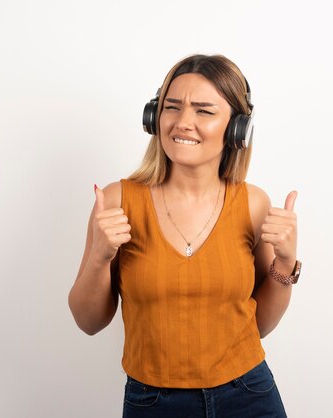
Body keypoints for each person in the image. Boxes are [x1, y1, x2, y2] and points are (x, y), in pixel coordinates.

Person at [68, 54, 302, 418]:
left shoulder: (254, 204)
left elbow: (259, 327)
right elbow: (88, 322)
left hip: (249, 395)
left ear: (238, 127)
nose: (182, 123)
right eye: (172, 108)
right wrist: (100, 256)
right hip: (153, 403)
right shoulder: (116, 201)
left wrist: (285, 264)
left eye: (204, 111)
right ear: (153, 117)